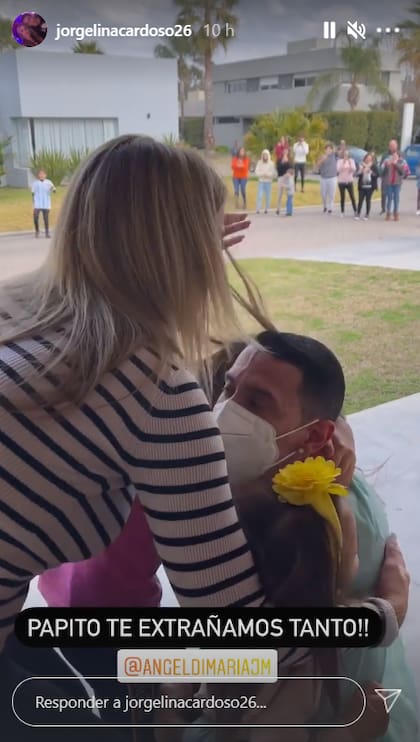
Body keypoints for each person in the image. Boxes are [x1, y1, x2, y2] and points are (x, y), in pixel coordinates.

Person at [0, 135, 281, 738]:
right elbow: (237, 641)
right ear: (190, 254)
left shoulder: (15, 310)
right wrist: (379, 612)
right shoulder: (155, 394)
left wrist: (182, 239)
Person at [156, 332, 415, 742]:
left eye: (257, 402)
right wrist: (388, 614)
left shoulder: (324, 525)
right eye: (229, 386)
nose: (225, 411)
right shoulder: (213, 496)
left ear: (315, 437)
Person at [380, 140, 408, 221]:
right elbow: (381, 169)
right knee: (389, 198)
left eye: (393, 145)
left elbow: (403, 171)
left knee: (396, 198)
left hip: (397, 182)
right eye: (390, 145)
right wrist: (387, 164)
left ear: (397, 146)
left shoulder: (401, 157)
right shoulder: (386, 157)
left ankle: (396, 213)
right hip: (388, 182)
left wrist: (396, 163)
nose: (392, 147)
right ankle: (388, 213)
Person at [31, 169, 55, 238]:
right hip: (37, 204)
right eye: (40, 174)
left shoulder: (48, 182)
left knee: (46, 218)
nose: (41, 175)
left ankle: (47, 233)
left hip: (46, 203)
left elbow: (53, 189)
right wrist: (34, 202)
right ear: (38, 175)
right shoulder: (35, 183)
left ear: (45, 175)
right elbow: (33, 193)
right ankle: (37, 231)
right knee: (35, 217)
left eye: (43, 174)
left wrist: (52, 189)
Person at [356, 153, 379, 220]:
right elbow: (357, 174)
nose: (368, 160)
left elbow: (377, 175)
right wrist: (361, 171)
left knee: (368, 200)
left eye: (369, 159)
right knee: (360, 200)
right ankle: (358, 213)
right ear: (365, 159)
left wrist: (370, 171)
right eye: (367, 158)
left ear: (371, 159)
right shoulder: (361, 165)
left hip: (370, 186)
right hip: (362, 185)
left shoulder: (373, 166)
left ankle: (367, 214)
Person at [337, 150, 357, 218]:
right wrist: (343, 163)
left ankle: (355, 211)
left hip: (349, 181)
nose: (346, 156)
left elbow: (354, 169)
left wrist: (349, 163)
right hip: (341, 181)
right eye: (345, 154)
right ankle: (342, 212)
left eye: (347, 154)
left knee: (352, 196)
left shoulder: (351, 160)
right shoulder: (340, 161)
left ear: (349, 155)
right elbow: (338, 170)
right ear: (343, 155)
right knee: (342, 197)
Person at [318, 144, 338, 213]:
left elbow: (339, 150)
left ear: (332, 150)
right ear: (325, 150)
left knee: (332, 194)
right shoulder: (322, 156)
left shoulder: (334, 155)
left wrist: (342, 144)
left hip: (332, 177)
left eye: (330, 149)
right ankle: (325, 206)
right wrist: (322, 160)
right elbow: (318, 165)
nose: (328, 150)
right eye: (327, 149)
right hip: (323, 178)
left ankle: (330, 208)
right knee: (323, 194)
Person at [255, 149, 276, 213]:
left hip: (268, 181)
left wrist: (268, 175)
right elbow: (256, 171)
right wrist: (262, 174)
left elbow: (273, 172)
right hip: (261, 181)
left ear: (268, 156)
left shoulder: (271, 163)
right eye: (264, 155)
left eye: (266, 155)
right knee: (260, 195)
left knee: (268, 196)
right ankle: (258, 208)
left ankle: (266, 209)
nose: (265, 156)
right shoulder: (259, 162)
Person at [276, 150, 292, 215]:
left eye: (286, 151)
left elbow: (291, 169)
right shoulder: (279, 160)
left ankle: (288, 210)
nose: (285, 153)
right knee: (280, 194)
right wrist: (282, 162)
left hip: (287, 178)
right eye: (284, 151)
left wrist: (287, 162)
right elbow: (278, 169)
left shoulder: (290, 160)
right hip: (281, 178)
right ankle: (278, 209)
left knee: (289, 194)